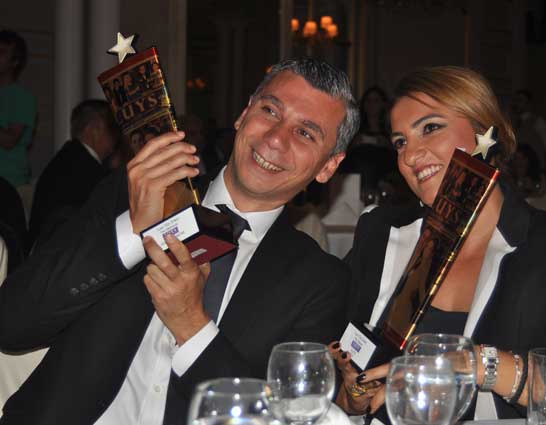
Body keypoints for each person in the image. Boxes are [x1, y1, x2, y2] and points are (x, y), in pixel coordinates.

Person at [0, 57, 359, 425]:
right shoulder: (135, 193)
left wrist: (191, 325)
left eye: (305, 133)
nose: (276, 138)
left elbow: (282, 418)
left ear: (329, 166)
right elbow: (10, 324)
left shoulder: (319, 281)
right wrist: (133, 230)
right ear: (243, 115)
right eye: (270, 110)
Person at [331, 66, 546, 424]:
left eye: (430, 128)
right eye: (400, 142)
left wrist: (477, 365)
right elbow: (335, 366)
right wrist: (353, 395)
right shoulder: (382, 232)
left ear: (487, 133)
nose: (410, 156)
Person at [29, 99, 120, 246]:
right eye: (112, 128)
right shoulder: (87, 170)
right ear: (94, 128)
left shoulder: (66, 160)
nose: (116, 137)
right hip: (62, 252)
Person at [0, 30, 37, 198]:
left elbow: (10, 140)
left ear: (15, 62)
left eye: (2, 52)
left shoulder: (23, 98)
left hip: (10, 184)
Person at [510, 89, 546, 173]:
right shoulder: (514, 123)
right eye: (516, 100)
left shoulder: (537, 121)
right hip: (519, 170)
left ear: (528, 104)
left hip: (535, 169)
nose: (517, 104)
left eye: (521, 100)